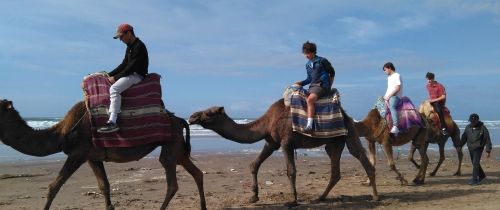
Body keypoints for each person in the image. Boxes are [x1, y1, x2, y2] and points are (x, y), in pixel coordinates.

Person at [98, 23, 149, 133]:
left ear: (129, 33)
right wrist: (108, 74)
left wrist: (115, 78)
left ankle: (112, 122)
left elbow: (131, 68)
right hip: (131, 73)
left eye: (121, 36)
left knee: (114, 89)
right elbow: (123, 64)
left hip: (137, 75)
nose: (120, 39)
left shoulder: (139, 46)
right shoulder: (129, 47)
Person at [294, 41, 335, 132]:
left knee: (310, 100)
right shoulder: (307, 64)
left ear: (313, 52)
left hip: (322, 85)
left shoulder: (322, 60)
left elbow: (332, 73)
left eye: (308, 53)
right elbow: (309, 79)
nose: (306, 55)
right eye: (305, 53)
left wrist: (328, 87)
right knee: (297, 96)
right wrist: (300, 83)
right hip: (313, 86)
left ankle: (309, 126)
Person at [460, 113, 492, 185]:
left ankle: (475, 180)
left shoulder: (483, 128)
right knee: (475, 163)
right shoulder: (468, 127)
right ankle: (482, 176)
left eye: (474, 121)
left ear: (477, 120)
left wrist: (488, 150)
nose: (472, 122)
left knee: (475, 163)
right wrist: (459, 145)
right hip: (470, 148)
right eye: (471, 121)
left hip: (478, 148)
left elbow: (487, 139)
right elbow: (464, 137)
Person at [383, 62, 403, 134]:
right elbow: (389, 89)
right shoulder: (389, 77)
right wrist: (385, 97)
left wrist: (389, 96)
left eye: (385, 70)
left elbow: (397, 88)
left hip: (395, 96)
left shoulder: (397, 75)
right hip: (389, 96)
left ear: (389, 68)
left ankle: (395, 126)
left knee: (392, 106)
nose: (385, 72)